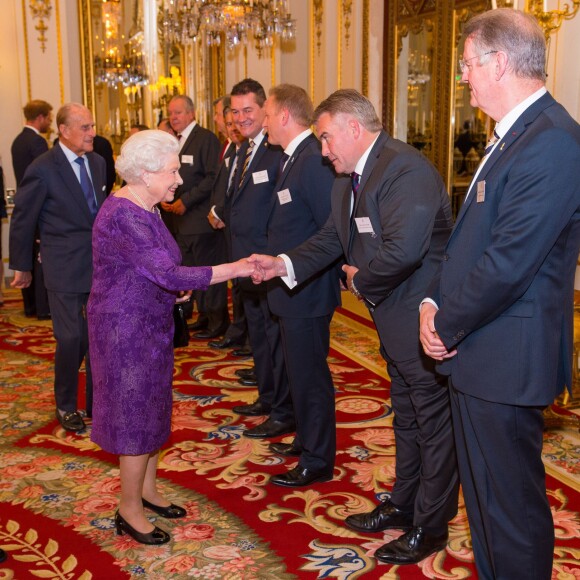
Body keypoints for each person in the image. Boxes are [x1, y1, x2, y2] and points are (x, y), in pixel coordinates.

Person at [250, 89, 458, 564]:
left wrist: (360, 278)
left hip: (422, 318)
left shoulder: (404, 168)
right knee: (406, 417)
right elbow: (329, 238)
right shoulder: (348, 179)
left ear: (352, 129)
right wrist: (283, 263)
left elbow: (405, 250)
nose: (322, 150)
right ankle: (405, 504)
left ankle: (431, 526)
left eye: (325, 139)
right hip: (391, 317)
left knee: (433, 423)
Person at [419, 9, 580, 579]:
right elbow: (470, 244)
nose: (464, 78)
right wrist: (432, 302)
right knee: (486, 501)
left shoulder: (553, 140)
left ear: (499, 62)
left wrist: (444, 322)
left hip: (506, 356)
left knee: (510, 508)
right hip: (481, 349)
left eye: (467, 65)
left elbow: (509, 262)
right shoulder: (515, 136)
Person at [88, 129, 255, 545]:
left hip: (150, 322)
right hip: (124, 329)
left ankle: (146, 491)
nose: (178, 179)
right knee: (133, 417)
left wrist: (172, 287)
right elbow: (166, 271)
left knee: (153, 406)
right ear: (145, 174)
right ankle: (128, 508)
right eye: (172, 171)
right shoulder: (125, 214)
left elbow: (157, 267)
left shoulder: (147, 206)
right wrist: (234, 269)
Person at [9, 103, 107, 433]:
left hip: (98, 265)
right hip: (63, 266)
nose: (93, 133)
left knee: (97, 337)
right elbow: (24, 220)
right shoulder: (43, 168)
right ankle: (65, 403)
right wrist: (21, 265)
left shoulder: (98, 163)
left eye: (93, 126)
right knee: (70, 337)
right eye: (85, 128)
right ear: (64, 131)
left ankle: (97, 403)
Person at [261, 84, 340, 487]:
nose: (263, 121)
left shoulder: (311, 160)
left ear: (286, 116)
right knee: (299, 373)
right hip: (291, 289)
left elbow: (331, 227)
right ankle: (308, 439)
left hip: (307, 289)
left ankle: (318, 459)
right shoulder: (293, 158)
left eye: (268, 114)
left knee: (311, 377)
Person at [228, 78, 295, 439]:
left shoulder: (275, 150)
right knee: (258, 334)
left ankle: (281, 406)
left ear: (264, 111)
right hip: (245, 263)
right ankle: (267, 397)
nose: (241, 118)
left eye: (249, 110)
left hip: (268, 264)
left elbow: (279, 210)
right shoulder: (244, 149)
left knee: (274, 338)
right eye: (236, 111)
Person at [161, 95, 227, 338]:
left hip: (200, 220)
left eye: (178, 112)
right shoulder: (176, 141)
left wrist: (185, 201)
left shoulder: (205, 139)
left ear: (191, 113)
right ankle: (203, 316)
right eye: (171, 113)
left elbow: (212, 177)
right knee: (190, 272)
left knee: (207, 274)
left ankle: (217, 322)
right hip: (181, 223)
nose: (173, 117)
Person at [207, 103, 250, 352]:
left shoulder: (249, 153)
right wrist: (215, 211)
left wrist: (220, 211)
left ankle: (246, 338)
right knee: (237, 286)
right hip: (229, 229)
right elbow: (224, 187)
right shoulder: (231, 152)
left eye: (237, 124)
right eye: (230, 123)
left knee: (247, 290)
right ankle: (238, 333)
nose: (234, 128)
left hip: (245, 231)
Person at [10, 99, 53, 319]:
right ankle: (41, 307)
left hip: (24, 202)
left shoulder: (18, 140)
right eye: (49, 117)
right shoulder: (37, 142)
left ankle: (30, 306)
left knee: (28, 254)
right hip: (38, 205)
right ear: (40, 117)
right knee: (39, 258)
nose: (50, 122)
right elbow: (45, 177)